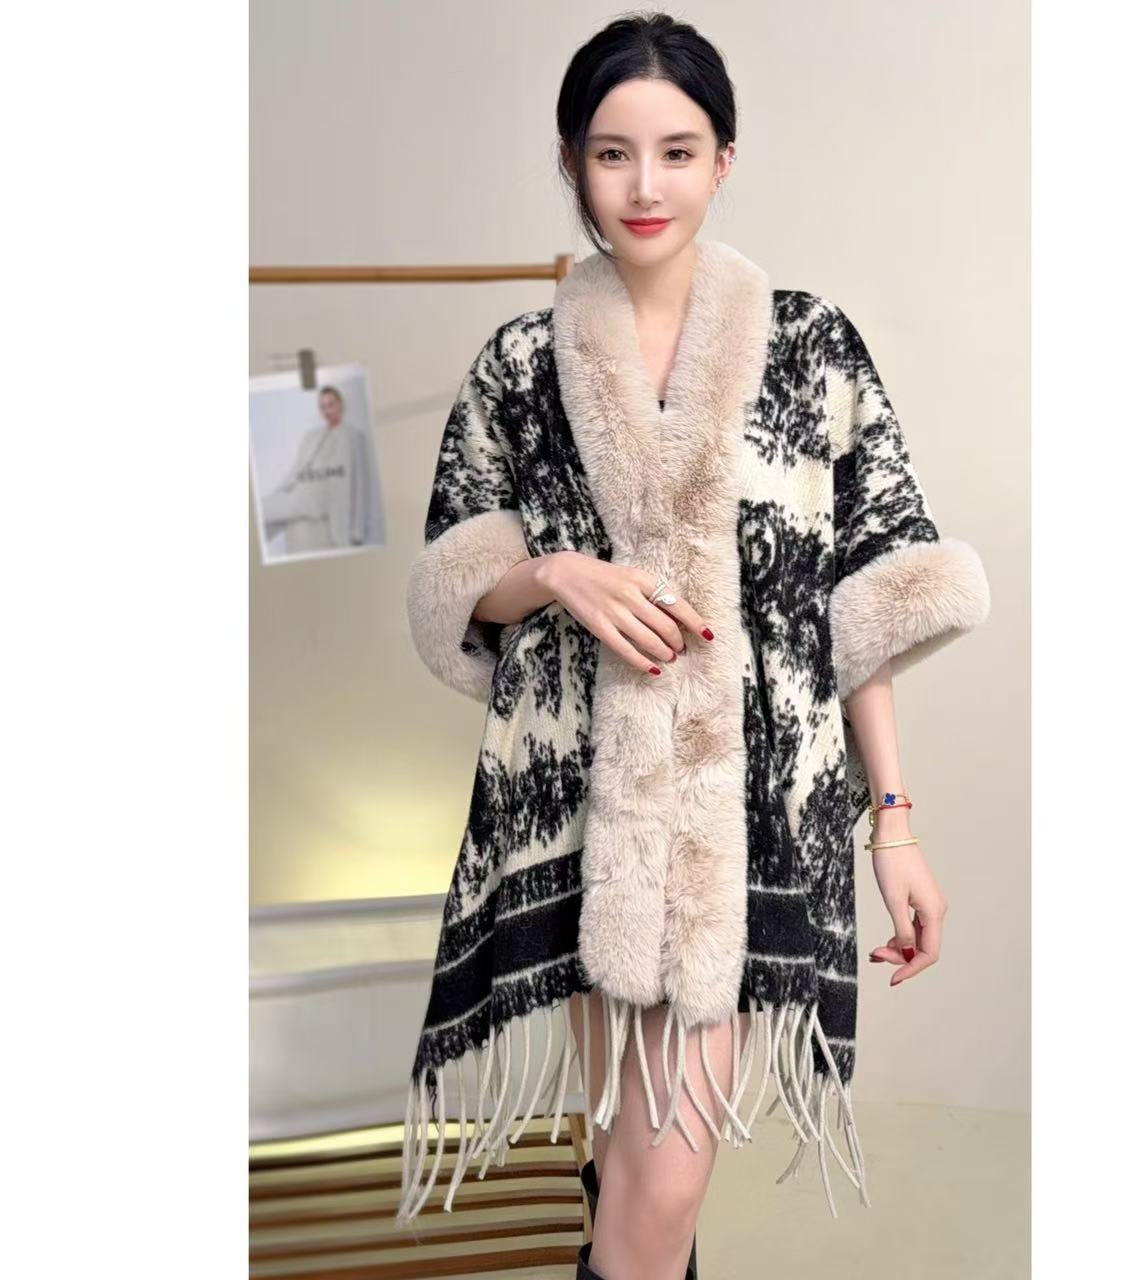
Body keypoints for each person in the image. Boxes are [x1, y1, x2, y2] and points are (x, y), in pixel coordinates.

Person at [397, 13, 991, 1279]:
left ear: (724, 159)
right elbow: (456, 582)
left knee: (656, 1179)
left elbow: (861, 603)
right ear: (571, 161)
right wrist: (554, 573)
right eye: (611, 153)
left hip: (754, 807)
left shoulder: (812, 347)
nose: (644, 185)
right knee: (633, 1169)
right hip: (576, 807)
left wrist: (893, 824)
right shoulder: (518, 366)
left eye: (676, 151)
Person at [260, 384, 370, 553]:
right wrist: (277, 493)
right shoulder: (311, 436)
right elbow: (296, 469)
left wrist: (358, 532)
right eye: (323, 407)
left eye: (331, 405)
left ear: (340, 404)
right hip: (300, 491)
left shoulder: (354, 437)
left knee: (262, 510)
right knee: (265, 521)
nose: (327, 411)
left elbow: (360, 484)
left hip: (321, 497)